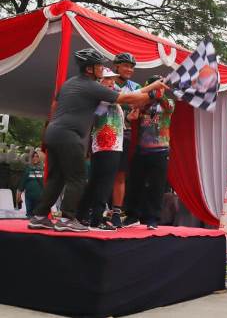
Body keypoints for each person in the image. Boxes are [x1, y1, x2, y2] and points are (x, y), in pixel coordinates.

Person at [27, 49, 167, 232]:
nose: (103, 69)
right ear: (89, 69)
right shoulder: (91, 85)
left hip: (54, 132)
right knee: (77, 178)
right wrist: (153, 94)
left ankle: (39, 216)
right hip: (71, 135)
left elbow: (54, 105)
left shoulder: (70, 83)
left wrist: (54, 126)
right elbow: (126, 98)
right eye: (100, 66)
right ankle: (68, 219)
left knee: (57, 177)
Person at [122, 75, 175, 230]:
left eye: (160, 86)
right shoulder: (142, 104)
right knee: (135, 184)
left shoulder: (168, 103)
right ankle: (132, 215)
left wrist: (159, 95)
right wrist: (149, 95)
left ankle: (153, 218)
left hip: (161, 150)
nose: (158, 88)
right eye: (155, 86)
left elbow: (168, 106)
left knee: (157, 186)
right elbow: (133, 105)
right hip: (142, 149)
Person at [77, 67, 126, 231]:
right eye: (108, 79)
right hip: (107, 145)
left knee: (95, 182)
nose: (112, 82)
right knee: (104, 183)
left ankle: (81, 215)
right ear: (100, 81)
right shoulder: (102, 97)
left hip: (107, 145)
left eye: (113, 79)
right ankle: (97, 219)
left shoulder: (108, 97)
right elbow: (97, 115)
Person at [111, 52, 140, 228]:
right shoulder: (107, 81)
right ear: (117, 66)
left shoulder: (135, 86)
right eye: (125, 65)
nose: (129, 69)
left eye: (131, 67)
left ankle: (116, 212)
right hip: (105, 132)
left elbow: (136, 110)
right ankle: (95, 209)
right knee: (102, 173)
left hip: (125, 133)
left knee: (120, 174)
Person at [17, 149, 44, 217]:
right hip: (29, 197)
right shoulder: (28, 168)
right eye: (33, 156)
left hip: (40, 197)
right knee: (29, 216)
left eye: (37, 156)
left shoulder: (43, 169)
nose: (35, 158)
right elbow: (22, 182)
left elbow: (46, 183)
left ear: (40, 158)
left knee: (38, 216)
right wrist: (18, 196)